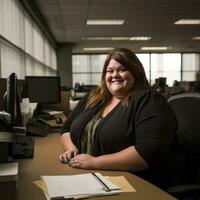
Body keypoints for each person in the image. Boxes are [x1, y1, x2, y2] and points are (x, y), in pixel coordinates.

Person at [59, 48, 177, 186]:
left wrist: (94, 162)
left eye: (122, 69)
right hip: (87, 176)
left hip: (130, 182)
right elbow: (66, 129)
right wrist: (71, 148)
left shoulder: (148, 100)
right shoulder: (93, 97)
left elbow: (146, 153)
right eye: (110, 71)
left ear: (135, 73)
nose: (115, 75)